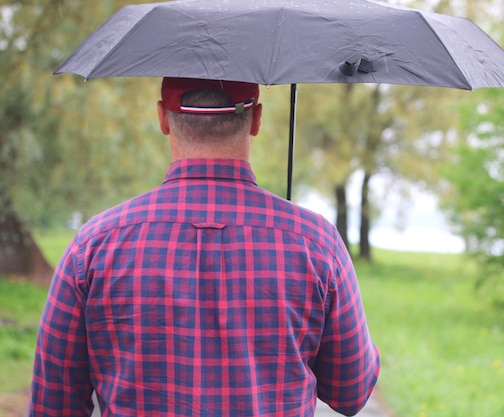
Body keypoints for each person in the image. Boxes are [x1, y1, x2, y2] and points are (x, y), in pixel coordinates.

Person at [29, 78, 380, 417]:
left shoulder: (92, 246)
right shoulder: (317, 244)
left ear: (162, 118)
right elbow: (351, 392)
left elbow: (53, 404)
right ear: (256, 119)